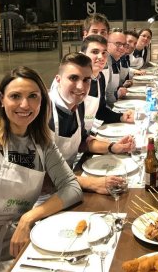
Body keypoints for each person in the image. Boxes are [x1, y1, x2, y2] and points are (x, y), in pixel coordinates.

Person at [0, 66, 82, 272]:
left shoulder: (42, 142)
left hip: (19, 247)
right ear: (1, 99)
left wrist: (28, 218)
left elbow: (72, 187)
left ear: (42, 101)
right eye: (15, 96)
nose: (24, 104)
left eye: (33, 96)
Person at [48, 52, 135, 194]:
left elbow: (83, 141)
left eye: (86, 80)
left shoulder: (77, 104)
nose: (81, 87)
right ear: (58, 80)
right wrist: (92, 183)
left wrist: (113, 147)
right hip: (44, 195)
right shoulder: (44, 112)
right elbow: (39, 176)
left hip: (69, 182)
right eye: (73, 78)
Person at [81, 35, 133, 132]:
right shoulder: (78, 81)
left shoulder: (100, 78)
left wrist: (121, 117)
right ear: (83, 55)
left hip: (89, 132)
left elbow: (100, 111)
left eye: (104, 53)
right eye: (95, 52)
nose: (101, 57)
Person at [105, 29, 132, 106]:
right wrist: (117, 94)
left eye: (124, 45)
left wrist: (121, 85)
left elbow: (110, 87)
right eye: (118, 44)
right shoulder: (104, 64)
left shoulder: (116, 60)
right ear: (107, 44)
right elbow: (102, 96)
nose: (122, 48)